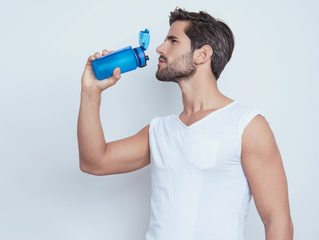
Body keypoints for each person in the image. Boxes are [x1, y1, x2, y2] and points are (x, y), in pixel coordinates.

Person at [77, 7, 293, 240]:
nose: (160, 48)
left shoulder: (247, 126)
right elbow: (94, 162)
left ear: (202, 54)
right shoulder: (159, 131)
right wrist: (90, 92)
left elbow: (276, 219)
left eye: (173, 41)